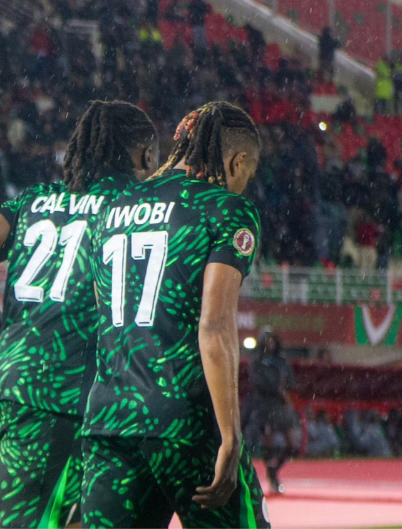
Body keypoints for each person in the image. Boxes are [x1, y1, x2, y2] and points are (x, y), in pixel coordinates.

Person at [0, 101, 158, 528]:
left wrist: (5, 332)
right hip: (63, 393)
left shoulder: (37, 201)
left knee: (70, 517)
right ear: (145, 155)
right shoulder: (133, 208)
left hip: (14, 381)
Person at [82, 101, 270, 528]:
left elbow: (103, 321)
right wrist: (230, 434)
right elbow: (215, 325)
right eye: (249, 173)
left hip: (108, 421)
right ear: (236, 161)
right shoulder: (225, 209)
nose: (245, 184)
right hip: (183, 420)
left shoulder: (111, 210)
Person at [245, 330, 299, 493]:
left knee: (292, 444)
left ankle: (275, 469)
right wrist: (277, 389)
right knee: (269, 442)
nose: (270, 343)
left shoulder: (281, 361)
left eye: (272, 339)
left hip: (281, 406)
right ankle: (271, 475)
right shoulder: (256, 362)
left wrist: (285, 393)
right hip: (265, 406)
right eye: (266, 340)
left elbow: (290, 382)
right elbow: (259, 383)